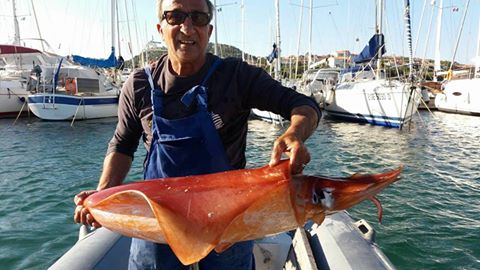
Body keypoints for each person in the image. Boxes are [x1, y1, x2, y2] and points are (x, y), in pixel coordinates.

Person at [74, 0, 321, 269]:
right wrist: (102, 196)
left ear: (210, 30)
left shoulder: (236, 76)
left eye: (198, 18)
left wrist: (296, 133)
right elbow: (122, 145)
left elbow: (304, 105)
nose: (187, 27)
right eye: (175, 16)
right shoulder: (139, 85)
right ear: (160, 28)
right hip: (158, 224)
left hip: (228, 223)